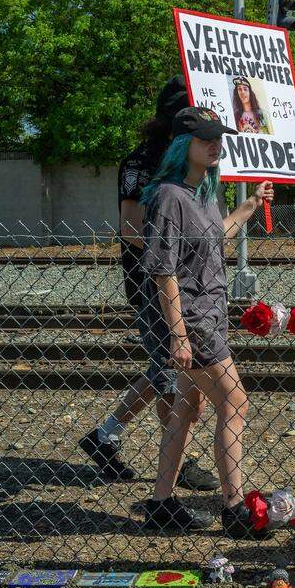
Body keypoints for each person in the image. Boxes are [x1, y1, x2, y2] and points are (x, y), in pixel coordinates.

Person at [140, 106, 275, 536]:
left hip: (208, 317)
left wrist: (249, 208)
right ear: (183, 145)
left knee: (186, 407)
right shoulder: (168, 196)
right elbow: (163, 270)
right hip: (193, 323)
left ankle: (161, 503)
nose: (215, 145)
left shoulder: (200, 193)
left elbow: (214, 235)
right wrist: (179, 335)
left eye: (217, 138)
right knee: (235, 402)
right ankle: (234, 508)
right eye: (205, 139)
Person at [79, 75, 218, 491]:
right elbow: (129, 227)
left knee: (164, 368)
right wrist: (174, 243)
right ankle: (181, 459)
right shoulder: (141, 162)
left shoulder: (191, 164)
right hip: (151, 282)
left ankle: (105, 436)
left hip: (189, 285)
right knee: (174, 376)